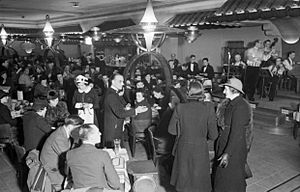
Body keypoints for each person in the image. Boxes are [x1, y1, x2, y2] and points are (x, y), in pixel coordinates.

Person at [168, 81, 218, 192]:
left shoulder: (180, 108)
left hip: (183, 148)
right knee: (198, 183)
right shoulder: (209, 108)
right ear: (202, 92)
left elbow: (171, 130)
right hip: (200, 149)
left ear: (188, 92)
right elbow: (214, 135)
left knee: (184, 182)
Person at [213, 78, 251, 192]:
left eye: (226, 89)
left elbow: (237, 133)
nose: (224, 92)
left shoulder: (241, 107)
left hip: (233, 150)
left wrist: (227, 154)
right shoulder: (231, 104)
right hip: (226, 145)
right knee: (224, 179)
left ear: (234, 90)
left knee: (231, 180)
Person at [66, 124, 121, 190]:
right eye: (98, 132)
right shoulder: (103, 154)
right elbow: (115, 184)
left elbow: (67, 173)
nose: (100, 134)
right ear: (91, 137)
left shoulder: (69, 154)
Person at [40, 115, 84, 191]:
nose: (79, 131)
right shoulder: (59, 137)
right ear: (70, 126)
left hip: (56, 164)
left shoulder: (64, 131)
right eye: (78, 128)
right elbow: (68, 157)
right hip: (52, 169)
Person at [103, 73, 148, 148]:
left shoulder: (113, 93)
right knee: (114, 149)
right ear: (113, 82)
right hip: (113, 127)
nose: (123, 83)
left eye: (123, 81)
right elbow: (119, 113)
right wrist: (136, 111)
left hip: (115, 125)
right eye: (120, 81)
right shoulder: (111, 95)